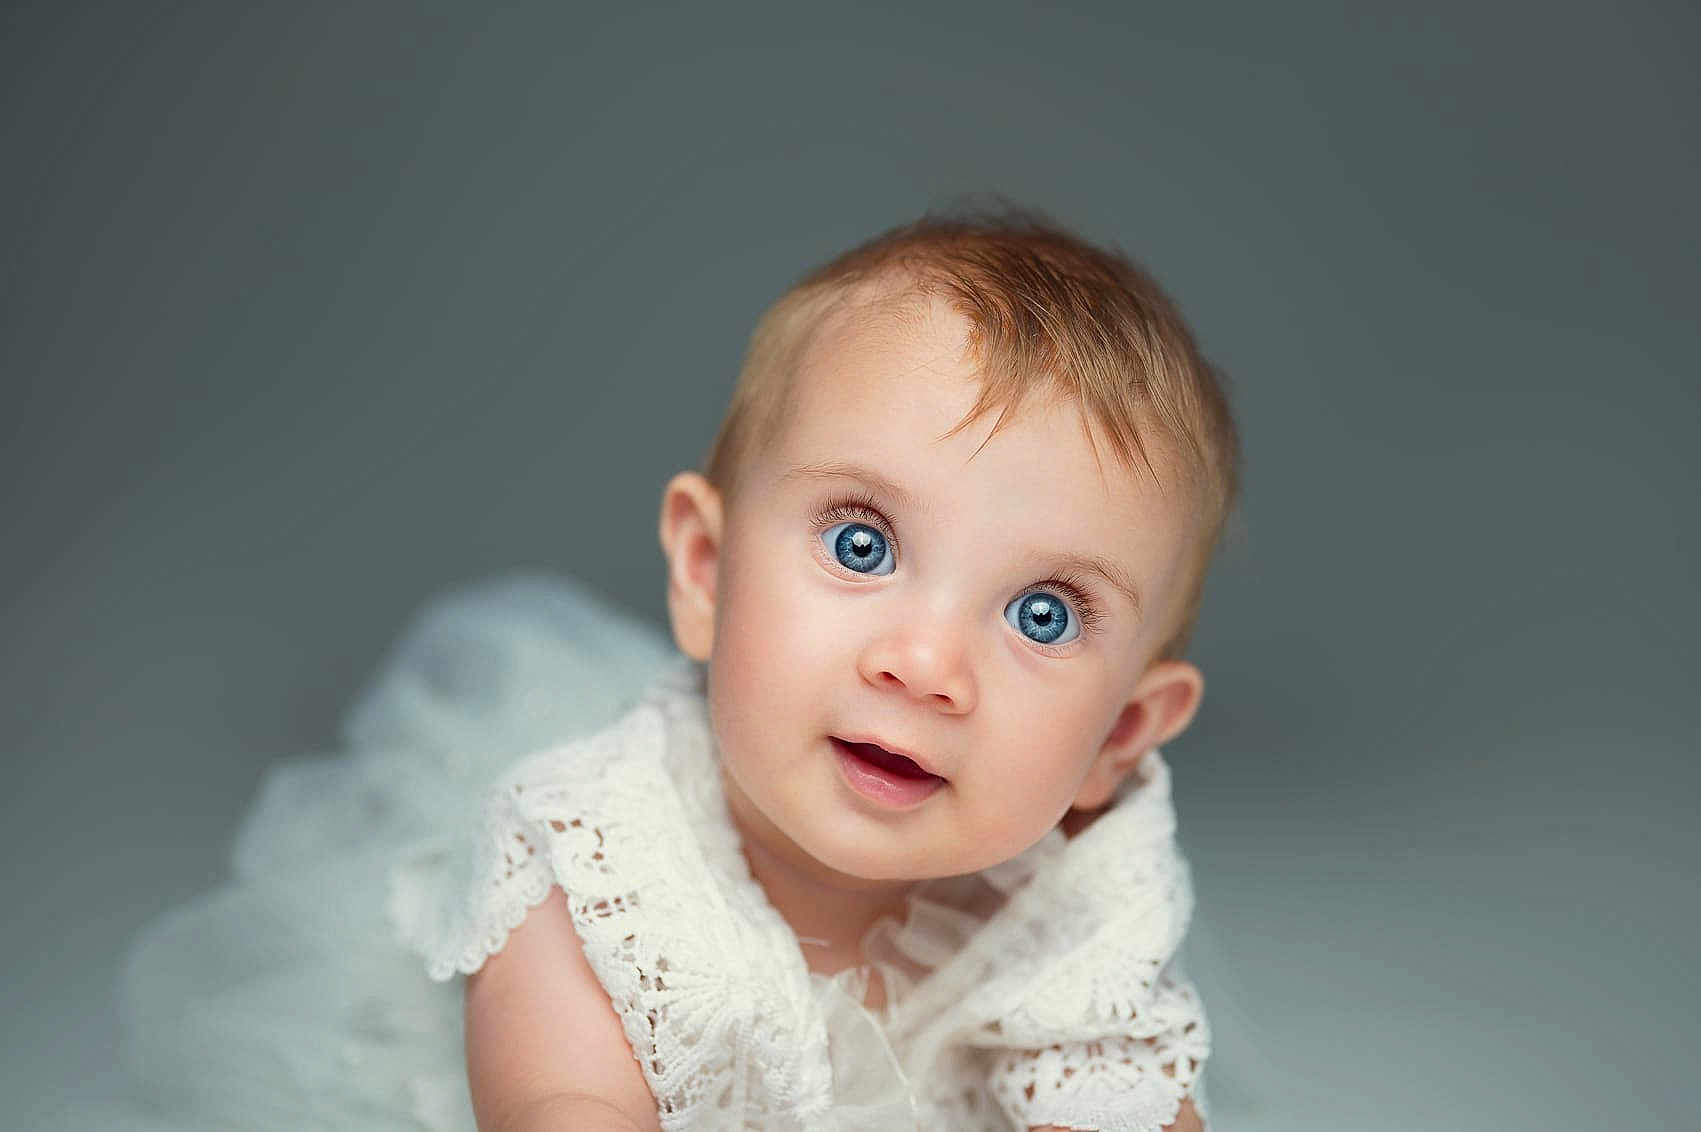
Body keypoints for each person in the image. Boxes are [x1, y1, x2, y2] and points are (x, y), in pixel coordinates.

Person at [109, 207, 1240, 1131]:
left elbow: (1135, 1093)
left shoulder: (1072, 904)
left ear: (1120, 738)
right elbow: (567, 1101)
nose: (927, 664)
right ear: (705, 572)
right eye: (864, 545)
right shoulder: (599, 866)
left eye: (1043, 613)